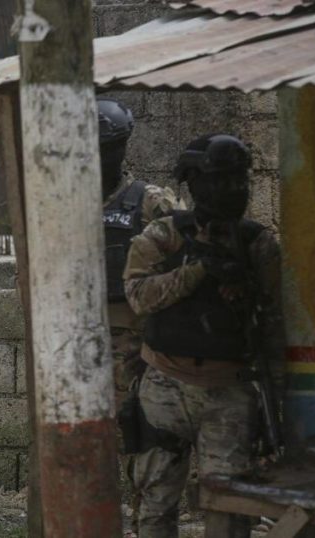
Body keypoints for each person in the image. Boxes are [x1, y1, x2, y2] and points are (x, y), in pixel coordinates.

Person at [123, 134, 286, 538]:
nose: (234, 189)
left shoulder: (257, 244)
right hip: (165, 387)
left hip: (229, 392)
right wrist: (198, 271)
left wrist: (280, 394)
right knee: (155, 505)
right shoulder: (164, 235)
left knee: (231, 509)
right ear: (196, 183)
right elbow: (139, 296)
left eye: (239, 180)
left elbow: (274, 322)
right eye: (221, 179)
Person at [98, 98, 180, 400]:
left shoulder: (151, 202)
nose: (100, 157)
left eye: (108, 148)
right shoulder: (61, 205)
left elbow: (185, 263)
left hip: (137, 342)